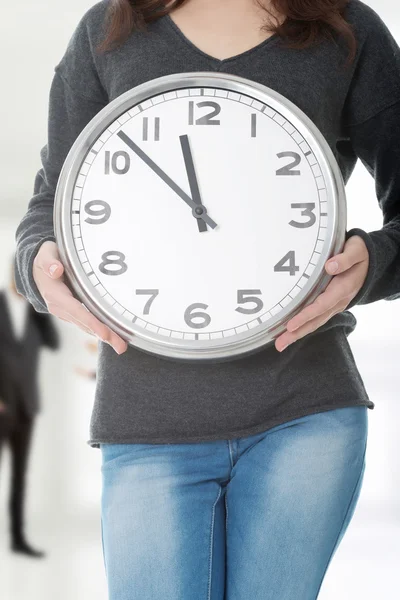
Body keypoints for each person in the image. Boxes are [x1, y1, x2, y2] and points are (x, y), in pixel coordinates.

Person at [13, 0, 400, 597]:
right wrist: (38, 263)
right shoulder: (110, 27)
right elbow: (53, 203)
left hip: (303, 409)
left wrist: (373, 261)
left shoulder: (346, 28)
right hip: (148, 419)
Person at [0, 258, 60, 557]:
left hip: (26, 406)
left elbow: (54, 343)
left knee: (19, 477)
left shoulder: (35, 313)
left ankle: (17, 539)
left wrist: (41, 310)